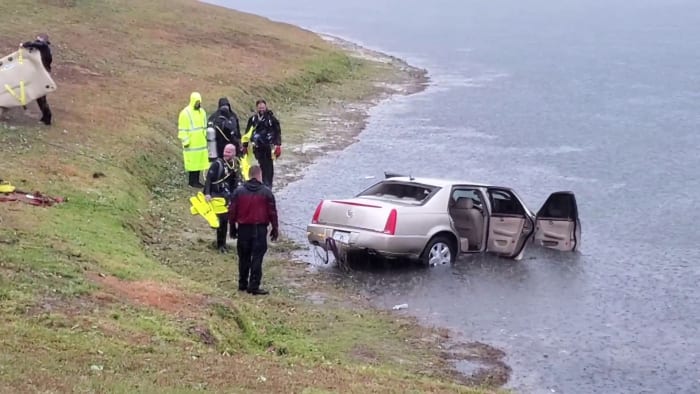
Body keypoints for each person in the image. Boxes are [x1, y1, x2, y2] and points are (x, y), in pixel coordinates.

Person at [228, 165, 279, 295]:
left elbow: (232, 212)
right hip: (259, 229)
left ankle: (242, 283)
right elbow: (272, 212)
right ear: (259, 175)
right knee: (257, 258)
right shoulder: (266, 192)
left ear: (249, 175)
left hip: (243, 229)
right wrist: (275, 228)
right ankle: (254, 285)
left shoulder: (239, 192)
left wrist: (232, 228)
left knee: (243, 258)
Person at [204, 144, 238, 253]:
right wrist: (207, 193)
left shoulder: (233, 165)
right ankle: (220, 245)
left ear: (234, 153)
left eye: (229, 152)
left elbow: (233, 182)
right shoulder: (217, 164)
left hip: (226, 196)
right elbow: (209, 179)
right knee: (222, 220)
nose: (226, 154)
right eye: (225, 151)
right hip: (216, 195)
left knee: (225, 221)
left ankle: (223, 244)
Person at [245, 99, 282, 188]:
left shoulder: (271, 119)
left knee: (268, 167)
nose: (261, 109)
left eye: (263, 107)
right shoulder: (253, 119)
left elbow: (277, 132)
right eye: (259, 107)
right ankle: (259, 183)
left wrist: (278, 145)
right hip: (256, 148)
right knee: (258, 166)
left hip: (268, 147)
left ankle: (268, 185)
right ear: (257, 108)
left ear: (266, 107)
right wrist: (245, 145)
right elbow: (247, 133)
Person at [20, 33, 52, 125]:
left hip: (44, 76)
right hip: (40, 75)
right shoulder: (41, 49)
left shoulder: (44, 47)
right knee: (39, 98)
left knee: (41, 98)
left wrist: (24, 44)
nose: (36, 42)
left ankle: (47, 118)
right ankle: (45, 118)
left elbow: (37, 44)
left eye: (38, 40)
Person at [178, 92, 208, 188]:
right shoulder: (185, 113)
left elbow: (204, 126)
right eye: (197, 102)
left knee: (198, 163)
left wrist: (206, 137)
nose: (198, 104)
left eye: (199, 102)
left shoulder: (202, 112)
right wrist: (185, 141)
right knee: (192, 164)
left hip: (201, 144)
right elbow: (182, 129)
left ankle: (197, 181)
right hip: (191, 144)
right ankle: (192, 181)